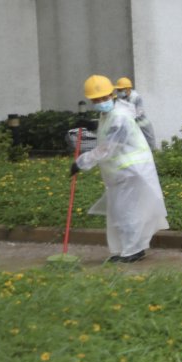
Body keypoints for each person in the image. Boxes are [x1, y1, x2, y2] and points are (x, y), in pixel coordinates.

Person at [72, 75, 169, 264]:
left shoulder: (120, 116)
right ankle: (129, 249)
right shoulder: (110, 113)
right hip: (121, 172)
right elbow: (108, 133)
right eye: (96, 100)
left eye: (104, 97)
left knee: (128, 212)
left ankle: (132, 251)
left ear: (112, 94)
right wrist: (92, 126)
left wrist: (81, 162)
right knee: (121, 212)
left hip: (132, 172)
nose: (101, 102)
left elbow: (108, 148)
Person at [115, 77, 157, 150]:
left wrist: (128, 115)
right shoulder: (121, 98)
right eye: (118, 90)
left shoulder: (136, 97)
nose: (119, 92)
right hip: (131, 126)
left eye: (120, 90)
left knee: (149, 144)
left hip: (142, 125)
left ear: (128, 89)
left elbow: (139, 112)